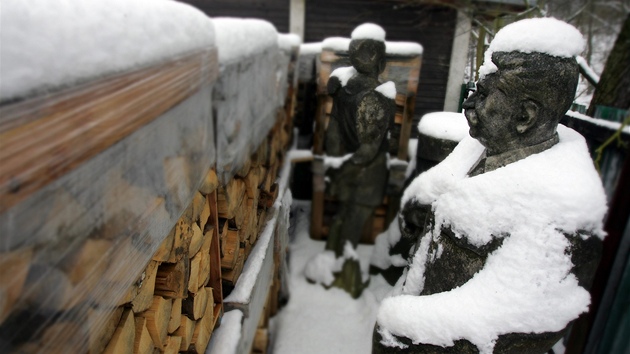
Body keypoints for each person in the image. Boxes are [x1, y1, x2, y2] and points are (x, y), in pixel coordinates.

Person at [373, 18, 607, 353]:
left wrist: (397, 325)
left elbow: (507, 324)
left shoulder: (562, 214)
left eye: (482, 95)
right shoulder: (485, 143)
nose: (468, 105)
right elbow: (441, 186)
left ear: (525, 116)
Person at [306, 23, 396, 298]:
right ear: (380, 62)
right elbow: (369, 148)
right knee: (353, 222)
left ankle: (329, 263)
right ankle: (345, 275)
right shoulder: (375, 98)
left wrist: (338, 163)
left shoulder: (343, 91)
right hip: (366, 173)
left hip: (345, 167)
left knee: (343, 216)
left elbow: (332, 133)